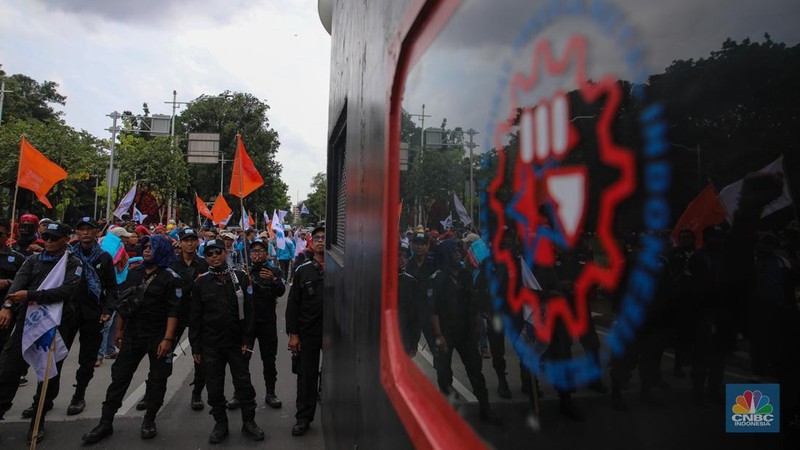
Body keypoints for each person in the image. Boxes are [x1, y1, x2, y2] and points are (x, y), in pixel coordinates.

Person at [81, 235, 181, 443]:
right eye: (144, 247)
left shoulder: (171, 278)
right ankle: (105, 422)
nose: (146, 251)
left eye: (151, 248)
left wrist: (168, 339)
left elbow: (174, 310)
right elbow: (123, 304)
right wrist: (119, 330)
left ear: (162, 251)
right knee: (119, 378)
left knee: (157, 380)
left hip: (158, 336)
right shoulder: (134, 274)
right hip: (133, 334)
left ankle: (149, 420)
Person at [0, 222, 82, 442]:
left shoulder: (72, 264)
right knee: (7, 370)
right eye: (46, 237)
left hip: (55, 326)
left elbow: (66, 291)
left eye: (54, 238)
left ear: (66, 239)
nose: (48, 242)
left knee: (47, 375)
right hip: (27, 322)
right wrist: (8, 306)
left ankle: (38, 420)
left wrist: (31, 295)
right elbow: (17, 285)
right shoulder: (33, 260)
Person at [40, 217, 118, 419]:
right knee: (55, 356)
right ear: (76, 232)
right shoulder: (66, 256)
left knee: (87, 358)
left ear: (96, 232)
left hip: (93, 313)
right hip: (66, 312)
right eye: (81, 229)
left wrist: (108, 309)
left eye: (89, 229)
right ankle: (44, 399)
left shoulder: (104, 258)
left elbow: (111, 288)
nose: (85, 233)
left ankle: (79, 395)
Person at [190, 238, 265, 444]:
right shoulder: (200, 282)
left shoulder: (239, 277)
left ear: (225, 253)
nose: (215, 257)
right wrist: (196, 346)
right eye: (210, 254)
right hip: (211, 345)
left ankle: (249, 422)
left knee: (244, 384)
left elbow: (249, 310)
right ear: (205, 258)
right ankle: (220, 423)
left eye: (218, 252)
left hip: (236, 343)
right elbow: (195, 317)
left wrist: (247, 339)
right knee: (214, 386)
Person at [429, 239, 501, 425]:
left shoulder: (465, 276)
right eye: (453, 251)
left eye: (459, 250)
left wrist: (478, 324)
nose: (458, 253)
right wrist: (438, 335)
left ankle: (485, 408)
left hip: (467, 332)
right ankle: (450, 410)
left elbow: (474, 301)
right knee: (444, 373)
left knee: (475, 371)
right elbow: (433, 310)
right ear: (445, 254)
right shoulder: (439, 279)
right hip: (446, 333)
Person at [286, 226, 325, 436]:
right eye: (317, 238)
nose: (321, 241)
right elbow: (293, 305)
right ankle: (303, 417)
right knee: (306, 376)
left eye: (324, 238)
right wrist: (293, 334)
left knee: (335, 374)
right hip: (308, 331)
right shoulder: (304, 270)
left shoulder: (342, 268)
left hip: (335, 332)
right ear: (311, 243)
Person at [249, 239, 286, 408]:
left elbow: (281, 291)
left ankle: (270, 392)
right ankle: (239, 393)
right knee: (241, 360)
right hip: (247, 324)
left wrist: (273, 280)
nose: (257, 254)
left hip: (267, 322)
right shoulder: (243, 272)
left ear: (266, 253)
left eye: (260, 251)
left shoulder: (274, 271)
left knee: (269, 359)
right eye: (254, 251)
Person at [0, 218, 26, 354]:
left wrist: (7, 282)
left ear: (7, 235)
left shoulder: (17, 258)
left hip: (5, 308)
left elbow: (24, 281)